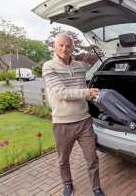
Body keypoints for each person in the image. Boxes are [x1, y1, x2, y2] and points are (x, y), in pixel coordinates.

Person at [42, 33, 105, 196]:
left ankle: (96, 187)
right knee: (63, 159)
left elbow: (81, 91)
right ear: (54, 47)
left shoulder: (80, 66)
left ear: (73, 48)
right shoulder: (48, 66)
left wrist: (99, 102)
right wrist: (87, 93)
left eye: (68, 45)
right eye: (61, 45)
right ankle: (67, 183)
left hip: (84, 121)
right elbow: (61, 93)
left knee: (92, 158)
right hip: (62, 123)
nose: (65, 48)